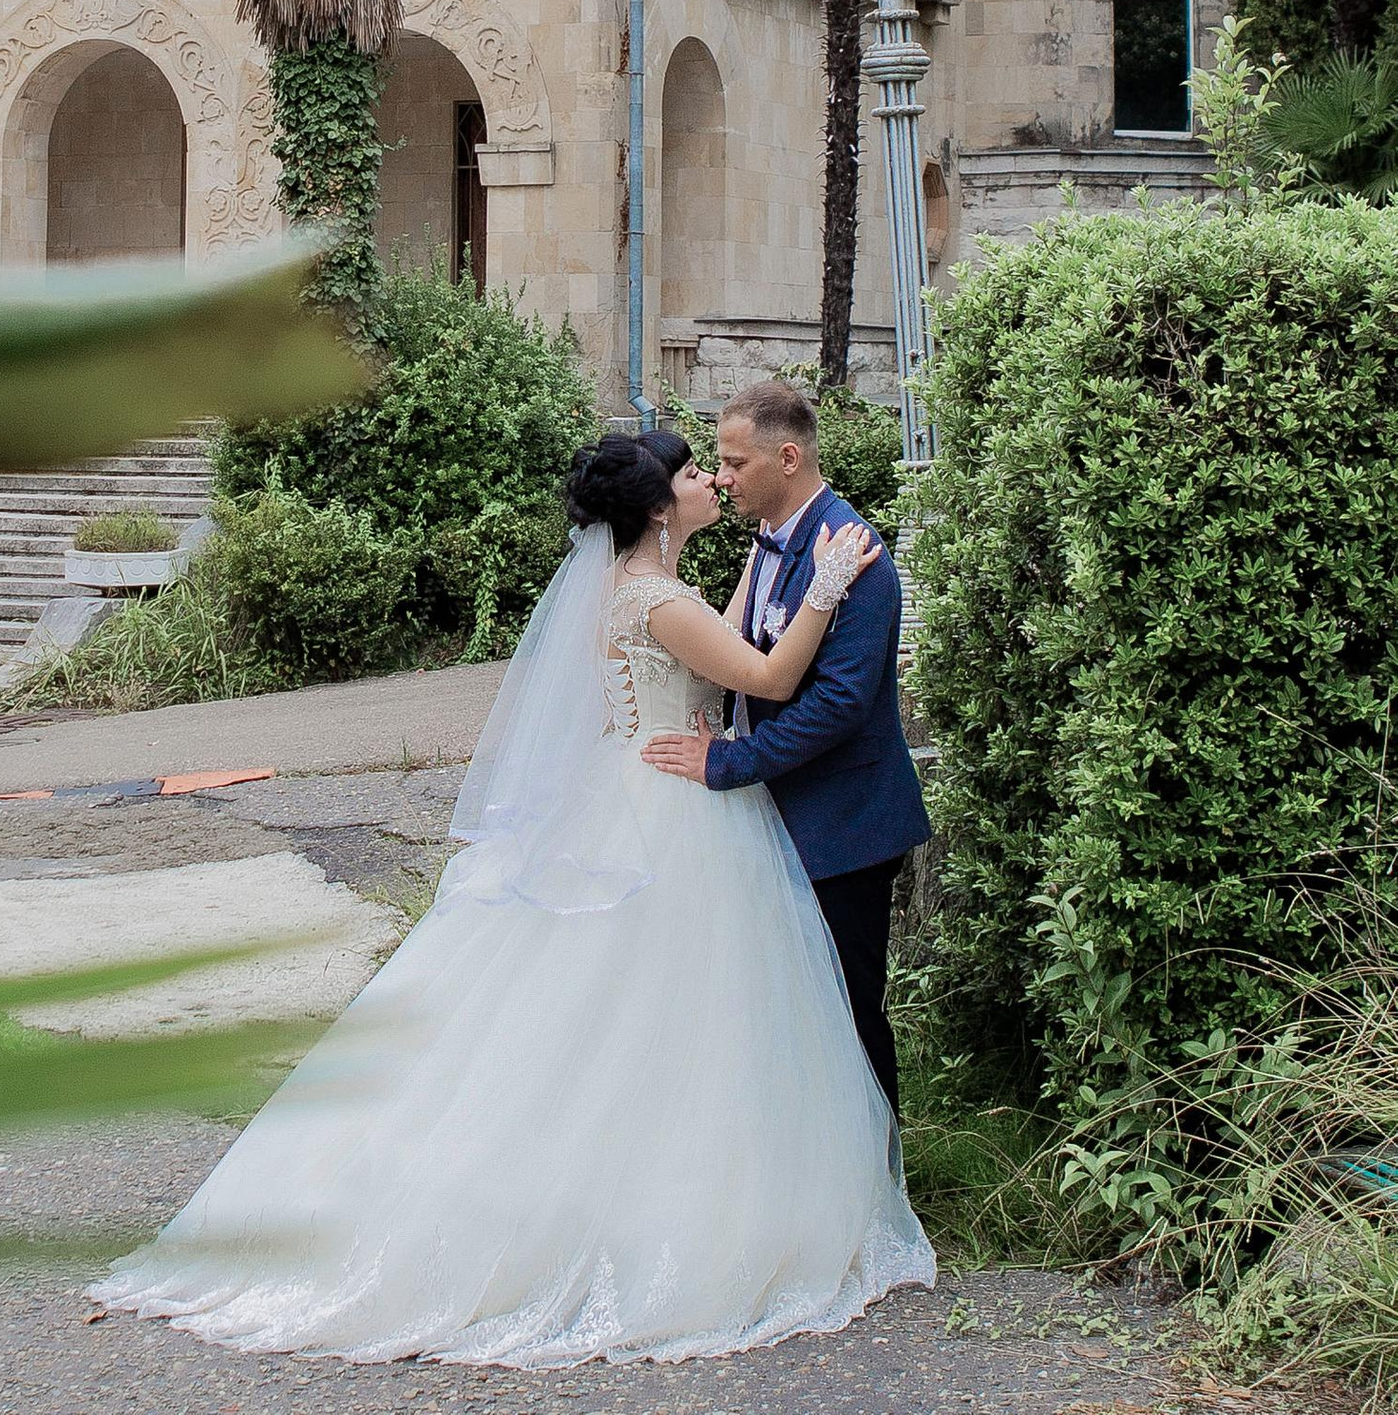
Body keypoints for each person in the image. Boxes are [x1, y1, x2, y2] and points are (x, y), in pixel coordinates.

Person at [94, 425, 933, 1370]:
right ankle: (668, 1203)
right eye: (694, 472)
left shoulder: (636, 589)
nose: (710, 480)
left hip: (629, 803)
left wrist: (764, 576)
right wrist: (824, 588)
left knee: (624, 1019)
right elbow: (766, 673)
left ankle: (636, 1182)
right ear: (659, 505)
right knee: (674, 1014)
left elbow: (723, 636)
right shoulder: (657, 598)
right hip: (678, 813)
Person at [640, 375, 929, 1111]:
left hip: (846, 822)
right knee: (790, 1015)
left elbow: (837, 704)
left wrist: (727, 760)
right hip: (780, 818)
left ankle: (879, 1186)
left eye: (736, 464)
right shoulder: (770, 542)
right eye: (719, 464)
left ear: (789, 458)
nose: (724, 478)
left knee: (848, 1014)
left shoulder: (854, 554)